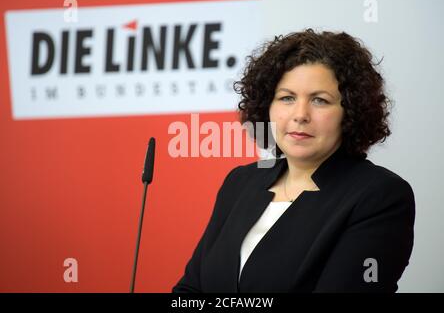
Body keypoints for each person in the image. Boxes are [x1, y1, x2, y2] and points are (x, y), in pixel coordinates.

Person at [172, 29, 415, 293]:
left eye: (320, 101)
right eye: (287, 98)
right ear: (267, 105)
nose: (300, 114)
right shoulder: (240, 182)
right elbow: (190, 291)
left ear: (351, 112)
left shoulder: (380, 196)